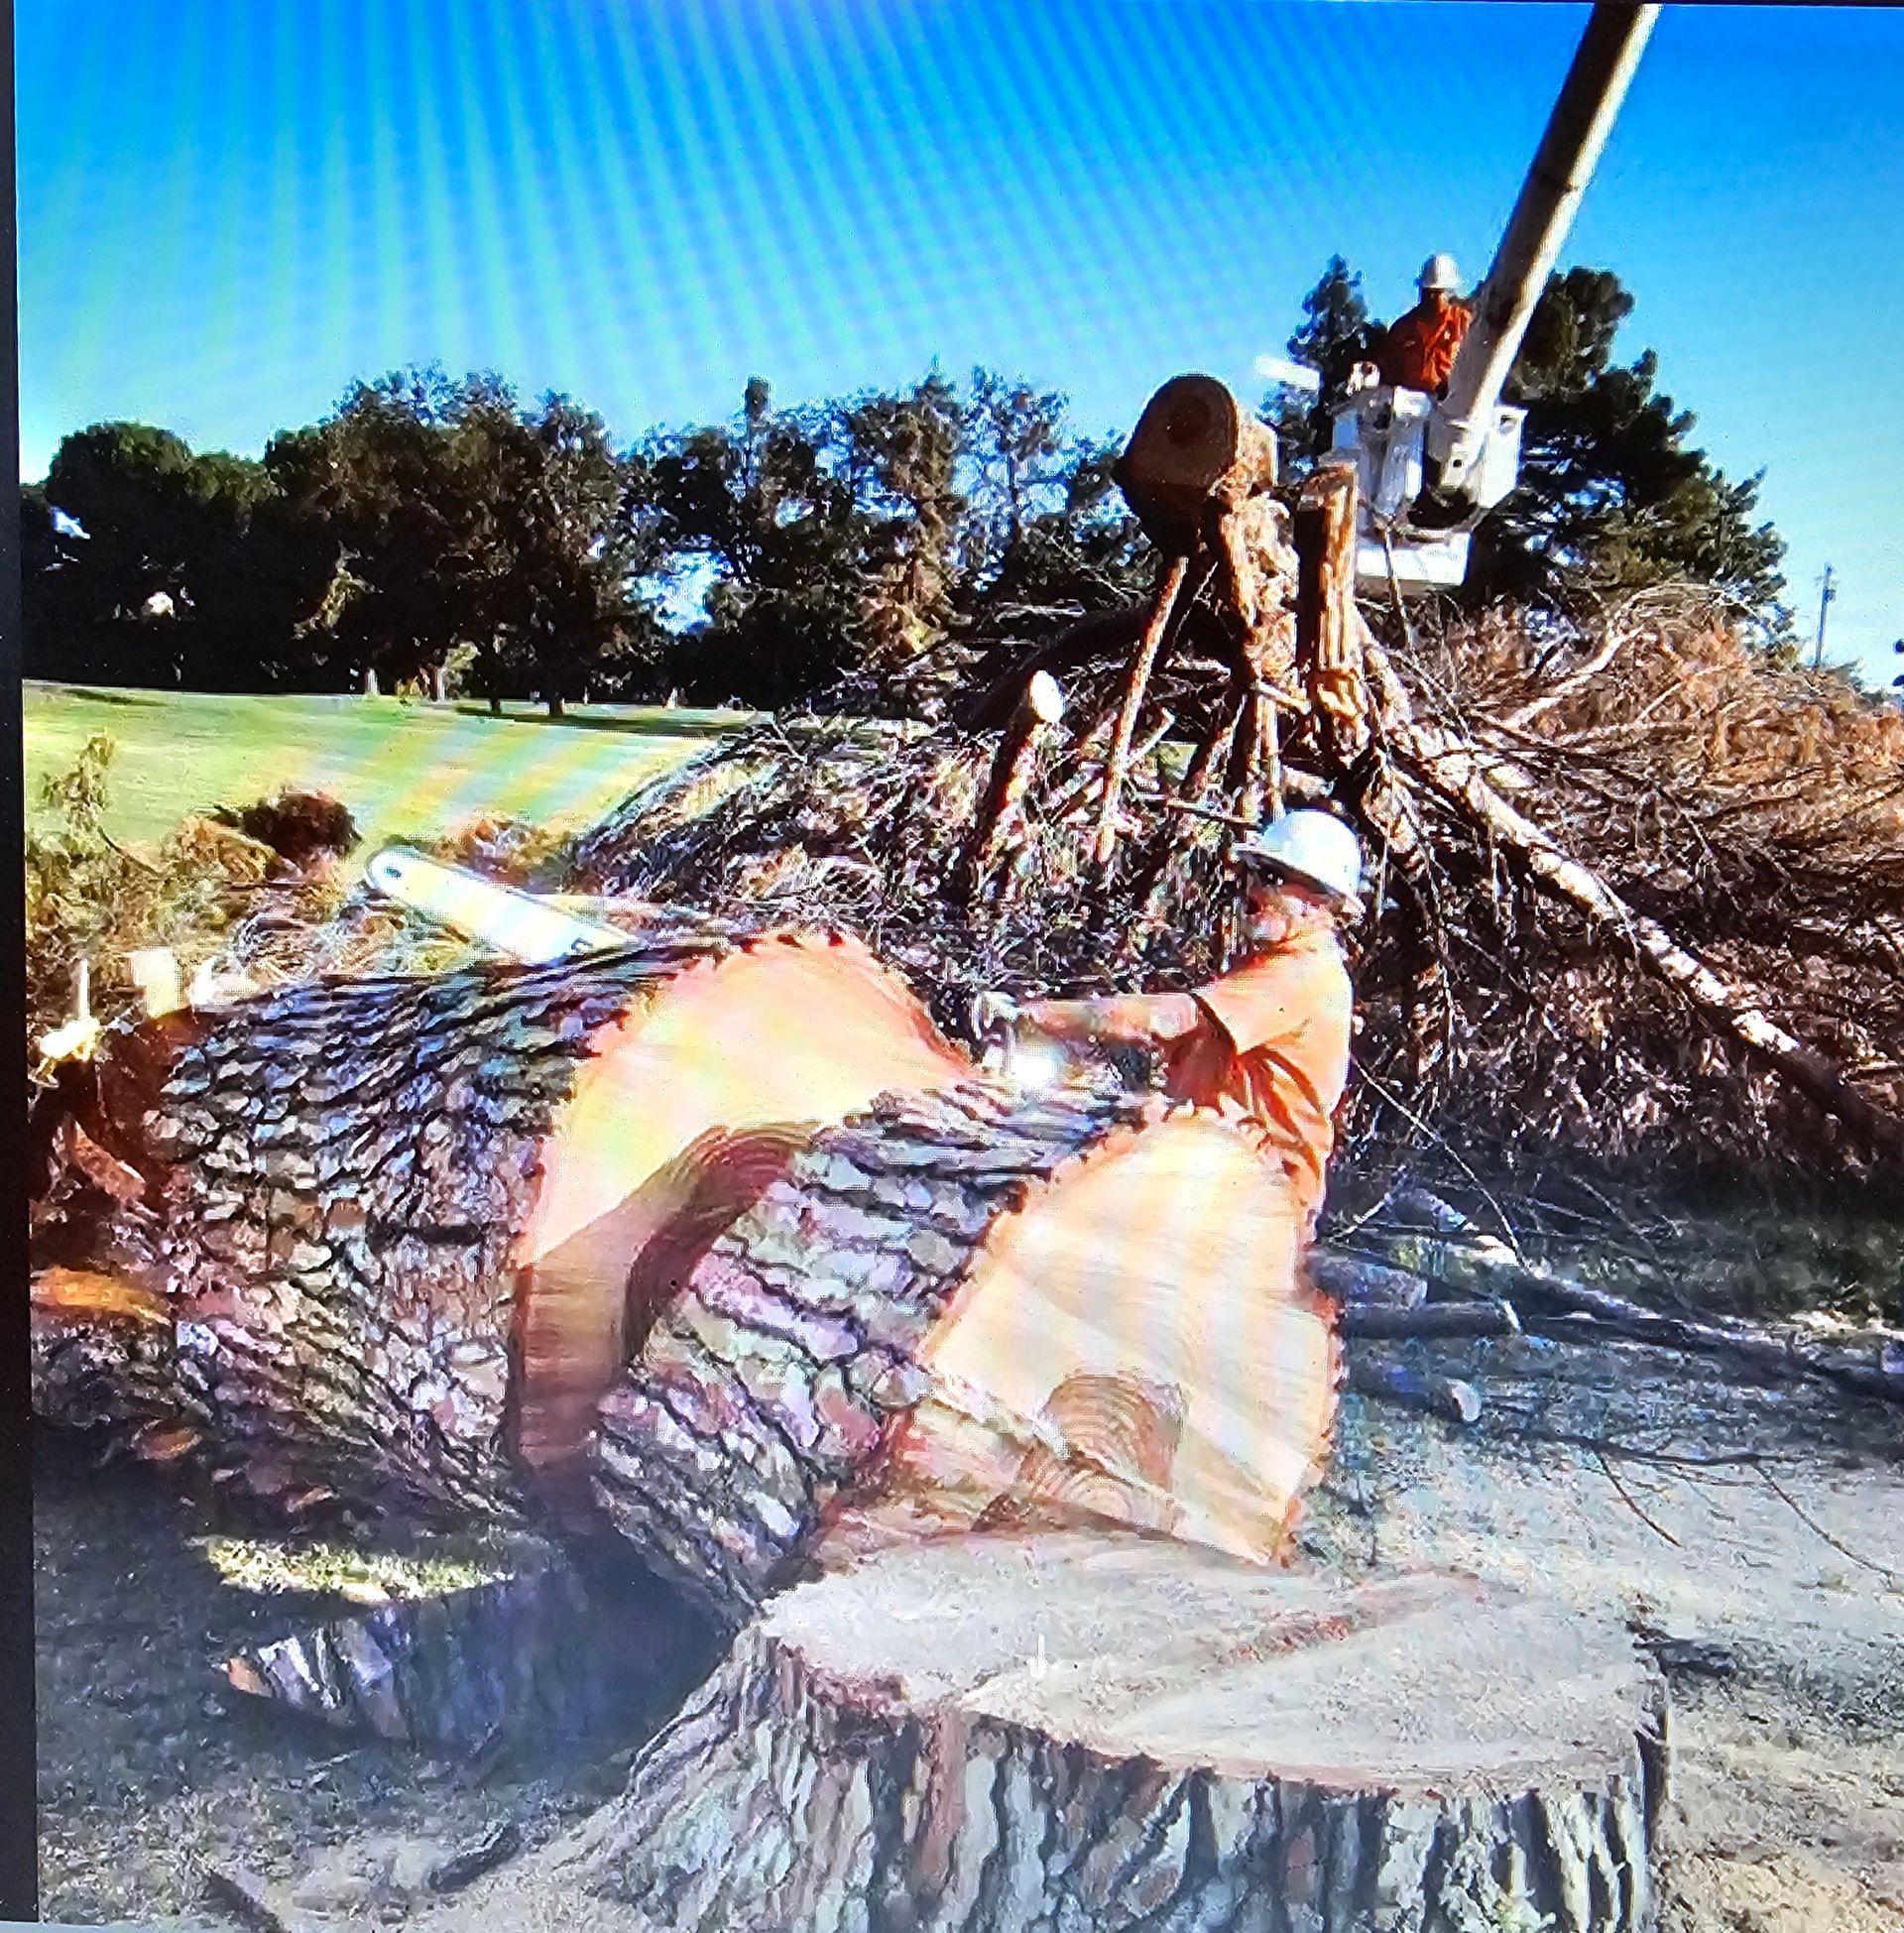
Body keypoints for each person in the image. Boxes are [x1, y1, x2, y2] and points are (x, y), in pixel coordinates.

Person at [973, 810, 1361, 1228]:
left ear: (1317, 902)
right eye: (1253, 872)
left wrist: (1040, 1015)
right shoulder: (1272, 965)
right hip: (1213, 1176)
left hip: (1258, 1200)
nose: (1253, 887)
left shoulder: (1301, 974)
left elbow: (1169, 1019)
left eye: (1272, 877)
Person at [1378, 254, 1474, 396]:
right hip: (1409, 407)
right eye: (1427, 291)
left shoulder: (1462, 322)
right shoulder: (1403, 327)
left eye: (1436, 292)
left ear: (1449, 292)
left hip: (1450, 406)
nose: (1431, 297)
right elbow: (1387, 371)